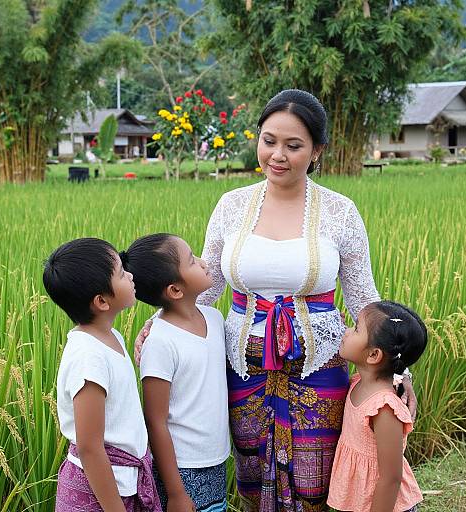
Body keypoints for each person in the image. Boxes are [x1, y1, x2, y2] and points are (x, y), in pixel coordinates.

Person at [135, 89, 416, 511]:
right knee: (251, 474)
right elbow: (206, 284)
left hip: (319, 366)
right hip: (241, 366)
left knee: (316, 482)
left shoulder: (341, 212)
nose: (277, 155)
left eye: (294, 145)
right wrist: (160, 324)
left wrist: (400, 370)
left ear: (317, 150)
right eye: (269, 141)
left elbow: (363, 298)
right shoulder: (232, 205)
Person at [43, 238, 161, 512]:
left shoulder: (112, 337)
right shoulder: (89, 359)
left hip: (122, 482)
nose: (130, 276)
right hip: (98, 494)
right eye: (121, 273)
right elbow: (90, 447)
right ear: (101, 301)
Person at [121, 234, 230, 512]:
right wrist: (176, 493)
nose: (205, 263)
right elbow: (155, 420)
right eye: (192, 260)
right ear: (175, 290)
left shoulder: (215, 319)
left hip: (215, 459)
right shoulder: (159, 343)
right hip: (181, 468)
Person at [327, 301, 427, 512]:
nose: (346, 332)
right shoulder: (357, 383)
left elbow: (391, 478)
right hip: (361, 502)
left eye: (355, 329)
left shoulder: (384, 407)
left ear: (373, 355)